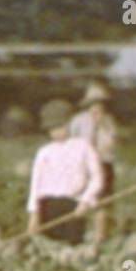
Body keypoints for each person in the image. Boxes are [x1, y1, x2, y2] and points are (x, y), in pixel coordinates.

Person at [27, 99, 105, 245]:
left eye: (60, 126)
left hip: (73, 206)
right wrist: (34, 215)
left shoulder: (84, 147)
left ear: (70, 123)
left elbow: (97, 179)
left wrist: (85, 201)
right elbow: (35, 187)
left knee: (73, 246)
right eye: (52, 129)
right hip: (48, 206)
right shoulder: (44, 152)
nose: (56, 132)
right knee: (49, 246)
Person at [69, 81, 118, 241]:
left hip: (103, 164)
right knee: (80, 198)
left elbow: (110, 145)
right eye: (94, 103)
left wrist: (101, 125)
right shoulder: (78, 121)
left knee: (102, 202)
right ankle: (78, 235)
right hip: (83, 165)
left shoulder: (109, 123)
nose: (97, 107)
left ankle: (100, 236)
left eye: (101, 103)